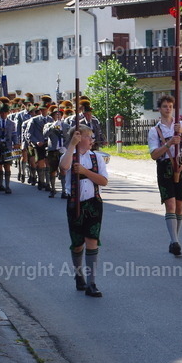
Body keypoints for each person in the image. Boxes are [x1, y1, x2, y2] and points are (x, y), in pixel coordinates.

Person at [60, 124, 109, 297]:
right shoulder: (69, 155)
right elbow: (64, 167)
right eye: (90, 137)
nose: (92, 140)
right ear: (80, 138)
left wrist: (85, 171)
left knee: (92, 240)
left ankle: (91, 283)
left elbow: (103, 181)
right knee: (77, 243)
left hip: (94, 204)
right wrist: (72, 145)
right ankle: (78, 274)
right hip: (75, 204)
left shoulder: (97, 157)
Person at [148, 95, 182, 256]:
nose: (168, 109)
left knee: (180, 206)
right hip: (165, 167)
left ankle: (175, 237)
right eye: (165, 106)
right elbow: (154, 155)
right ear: (159, 109)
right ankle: (174, 241)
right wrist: (168, 143)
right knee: (170, 205)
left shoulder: (181, 125)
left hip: (180, 166)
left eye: (170, 106)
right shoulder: (155, 130)